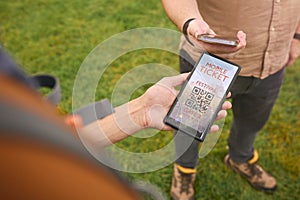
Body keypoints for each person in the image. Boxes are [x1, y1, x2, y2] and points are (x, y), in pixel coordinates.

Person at [161, 0, 300, 199]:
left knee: (252, 122)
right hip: (211, 63)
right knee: (190, 124)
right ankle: (184, 169)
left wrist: (297, 37)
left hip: (273, 63)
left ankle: (240, 158)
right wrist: (190, 22)